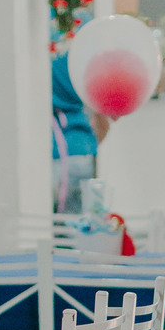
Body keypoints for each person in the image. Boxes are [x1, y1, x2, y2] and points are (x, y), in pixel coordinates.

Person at [51, 48, 110, 214]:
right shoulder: (79, 60)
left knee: (65, 227)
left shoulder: (50, 66)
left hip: (63, 158)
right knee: (84, 222)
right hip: (86, 152)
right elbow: (102, 127)